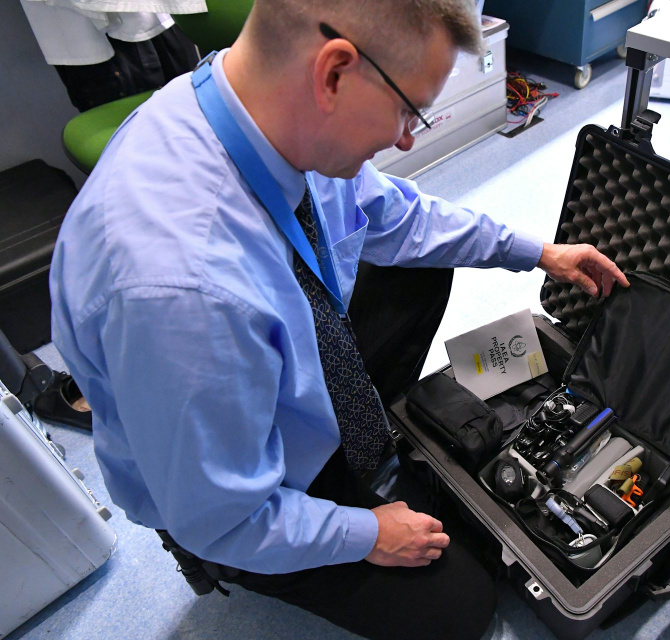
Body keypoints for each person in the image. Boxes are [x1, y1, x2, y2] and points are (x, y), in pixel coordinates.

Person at [49, 1, 629, 638]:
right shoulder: (181, 292)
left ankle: (369, 443)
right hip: (232, 508)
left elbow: (396, 216)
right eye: (409, 109)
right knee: (461, 607)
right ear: (334, 73)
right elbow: (221, 516)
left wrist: (537, 253)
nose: (408, 137)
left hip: (262, 391)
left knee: (420, 262)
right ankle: (335, 494)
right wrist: (367, 532)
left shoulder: (261, 112)